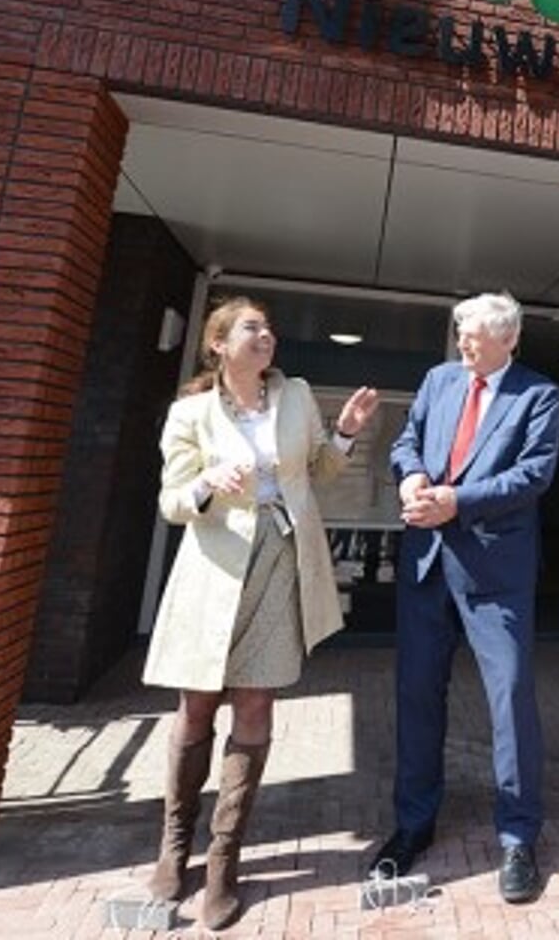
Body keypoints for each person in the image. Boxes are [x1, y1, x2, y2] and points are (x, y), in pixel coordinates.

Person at [144, 296, 378, 929]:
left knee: (255, 704)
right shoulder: (190, 411)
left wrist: (348, 430)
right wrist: (205, 483)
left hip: (282, 562)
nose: (266, 335)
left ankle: (224, 860)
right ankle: (174, 844)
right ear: (218, 344)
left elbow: (321, 469)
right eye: (251, 327)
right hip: (214, 571)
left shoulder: (296, 395)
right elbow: (171, 499)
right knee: (196, 707)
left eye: (270, 327)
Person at [377, 293, 559, 905]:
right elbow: (407, 442)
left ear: (508, 339)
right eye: (459, 334)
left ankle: (517, 836)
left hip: (496, 574)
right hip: (426, 564)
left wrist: (456, 499)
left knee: (510, 697)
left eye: (473, 337)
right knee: (417, 693)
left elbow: (532, 475)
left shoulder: (540, 395)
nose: (462, 346)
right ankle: (413, 824)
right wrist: (409, 475)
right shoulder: (438, 380)